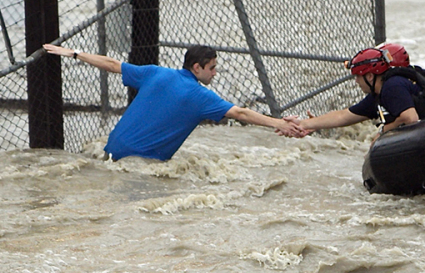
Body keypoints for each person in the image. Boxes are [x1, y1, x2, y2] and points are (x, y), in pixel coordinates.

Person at [43, 43, 305, 160]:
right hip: (140, 164)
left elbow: (112, 64)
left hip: (111, 151)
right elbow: (241, 113)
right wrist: (278, 123)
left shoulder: (155, 72)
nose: (215, 73)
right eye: (212, 68)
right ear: (197, 67)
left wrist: (73, 53)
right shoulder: (200, 96)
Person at [284, 44, 425, 137]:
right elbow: (342, 116)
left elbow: (410, 118)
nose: (356, 81)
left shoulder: (393, 86)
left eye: (358, 76)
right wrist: (305, 124)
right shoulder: (378, 96)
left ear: (370, 76)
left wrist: (383, 131)